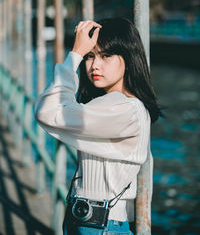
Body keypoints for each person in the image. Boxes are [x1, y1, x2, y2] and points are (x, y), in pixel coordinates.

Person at [35, 18, 163, 235]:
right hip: (91, 222)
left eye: (106, 56)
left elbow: (47, 111)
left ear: (129, 57)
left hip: (100, 226)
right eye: (89, 56)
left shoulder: (123, 109)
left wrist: (75, 55)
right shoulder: (112, 106)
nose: (95, 65)